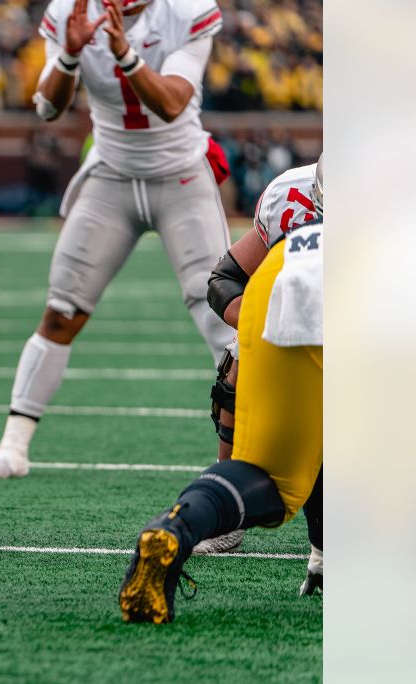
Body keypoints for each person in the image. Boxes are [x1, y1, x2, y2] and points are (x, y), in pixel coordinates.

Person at [0, 0, 235, 478]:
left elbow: (173, 103)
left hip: (179, 174)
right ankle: (14, 447)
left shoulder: (186, 10)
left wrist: (125, 53)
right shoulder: (69, 11)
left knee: (222, 313)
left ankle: (243, 457)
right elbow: (48, 107)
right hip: (112, 174)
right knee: (62, 309)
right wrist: (69, 56)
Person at [119, 216, 323, 623]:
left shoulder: (293, 190)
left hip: (280, 276)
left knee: (271, 478)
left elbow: (226, 277)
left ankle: (176, 527)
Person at [198, 155, 323, 578]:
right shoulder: (292, 196)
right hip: (301, 324)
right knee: (237, 364)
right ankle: (227, 518)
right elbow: (225, 279)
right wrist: (255, 323)